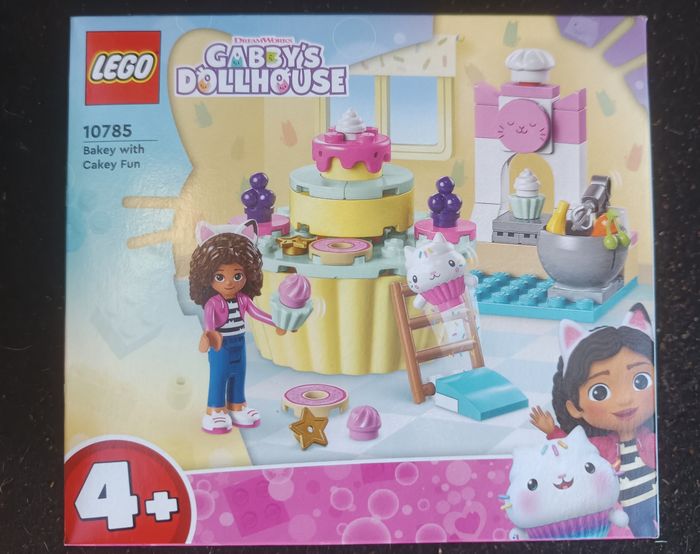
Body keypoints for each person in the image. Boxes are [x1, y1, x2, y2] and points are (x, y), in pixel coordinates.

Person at [529, 303, 657, 537]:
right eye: (600, 392)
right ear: (574, 407)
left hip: (660, 497)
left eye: (640, 381)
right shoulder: (601, 447)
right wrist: (552, 431)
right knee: (646, 536)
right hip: (631, 509)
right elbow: (576, 449)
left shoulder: (651, 438)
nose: (625, 399)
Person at [189, 220, 282, 433]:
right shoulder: (212, 303)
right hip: (220, 345)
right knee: (219, 376)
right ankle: (215, 410)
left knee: (239, 374)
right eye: (220, 276)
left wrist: (275, 322)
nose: (229, 282)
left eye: (237, 275)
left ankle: (237, 406)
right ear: (206, 277)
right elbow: (209, 324)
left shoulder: (242, 299)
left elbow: (257, 313)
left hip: (239, 343)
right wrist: (210, 337)